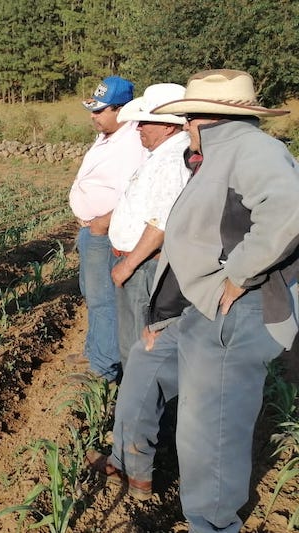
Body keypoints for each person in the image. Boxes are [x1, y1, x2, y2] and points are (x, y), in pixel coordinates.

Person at [88, 70, 299, 532]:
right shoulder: (211, 157)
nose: (184, 125)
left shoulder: (253, 150)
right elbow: (195, 244)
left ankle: (212, 523)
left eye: (186, 117)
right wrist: (162, 315)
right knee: (144, 370)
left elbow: (289, 210)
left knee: (210, 427)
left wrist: (240, 275)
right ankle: (133, 467)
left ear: (208, 116)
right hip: (195, 308)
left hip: (235, 313)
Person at [68, 76, 147, 381]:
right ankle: (95, 349)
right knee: (92, 293)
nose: (93, 116)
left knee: (104, 298)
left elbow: (135, 193)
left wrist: (101, 223)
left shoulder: (133, 142)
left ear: (121, 109)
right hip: (94, 229)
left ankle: (103, 365)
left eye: (100, 110)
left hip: (107, 231)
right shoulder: (109, 136)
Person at [108, 83, 191, 369]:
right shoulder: (163, 156)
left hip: (145, 268)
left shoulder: (171, 162)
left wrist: (128, 264)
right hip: (142, 265)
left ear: (169, 126)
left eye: (146, 121)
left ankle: (140, 408)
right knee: (135, 344)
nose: (139, 127)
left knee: (141, 348)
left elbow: (161, 223)